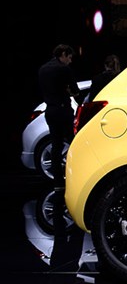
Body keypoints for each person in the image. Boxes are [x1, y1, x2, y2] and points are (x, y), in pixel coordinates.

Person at [38, 44, 80, 187]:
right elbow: (75, 91)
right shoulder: (64, 69)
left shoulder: (42, 69)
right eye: (69, 57)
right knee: (73, 143)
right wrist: (69, 90)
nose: (70, 61)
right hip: (63, 111)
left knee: (56, 146)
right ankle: (76, 176)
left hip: (50, 110)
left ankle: (58, 182)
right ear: (63, 54)